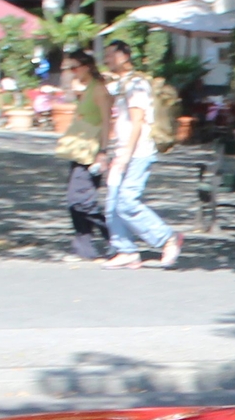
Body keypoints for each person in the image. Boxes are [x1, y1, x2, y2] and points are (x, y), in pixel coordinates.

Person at [100, 40, 179, 269]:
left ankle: (167, 238)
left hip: (137, 151)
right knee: (112, 203)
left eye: (110, 55)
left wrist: (126, 154)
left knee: (126, 201)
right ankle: (126, 250)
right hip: (123, 150)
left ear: (124, 56)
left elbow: (137, 122)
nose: (106, 59)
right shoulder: (123, 83)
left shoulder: (137, 84)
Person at [57, 50, 112, 260]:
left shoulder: (99, 90)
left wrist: (104, 151)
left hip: (92, 151)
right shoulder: (88, 89)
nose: (72, 73)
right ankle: (84, 248)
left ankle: (115, 238)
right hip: (80, 150)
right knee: (75, 201)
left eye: (75, 68)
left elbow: (107, 122)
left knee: (81, 200)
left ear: (87, 66)